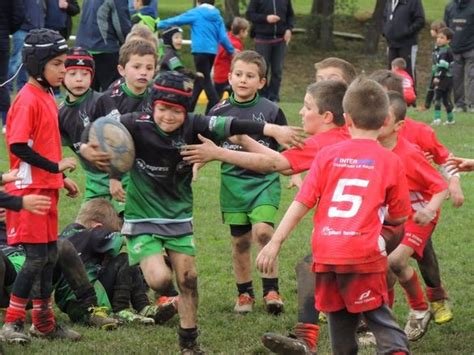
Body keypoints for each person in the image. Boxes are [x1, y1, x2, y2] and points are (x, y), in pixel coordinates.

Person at [80, 70, 303, 354]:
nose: (168, 117)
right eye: (163, 109)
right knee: (160, 280)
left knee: (188, 278)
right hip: (142, 218)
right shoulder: (134, 124)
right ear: (153, 105)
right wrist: (88, 149)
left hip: (178, 216)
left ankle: (189, 342)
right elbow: (94, 133)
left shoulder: (196, 124)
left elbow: (234, 122)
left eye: (176, 111)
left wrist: (273, 129)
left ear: (186, 110)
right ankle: (169, 298)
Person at [182, 62, 353, 353]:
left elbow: (275, 164)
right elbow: (280, 160)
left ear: (325, 117)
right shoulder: (345, 135)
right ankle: (312, 336)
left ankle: (375, 335)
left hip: (349, 231)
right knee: (318, 270)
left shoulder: (323, 143)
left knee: (329, 274)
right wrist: (245, 140)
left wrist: (218, 152)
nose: (300, 112)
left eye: (306, 107)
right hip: (362, 229)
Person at [256, 78, 412, 355]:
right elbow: (399, 217)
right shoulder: (391, 161)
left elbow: (302, 201)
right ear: (386, 118)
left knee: (339, 323)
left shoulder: (327, 155)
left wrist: (275, 242)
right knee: (381, 320)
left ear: (347, 118)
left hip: (325, 254)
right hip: (362, 253)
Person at [0, 29, 81, 344]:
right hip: (29, 193)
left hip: (47, 190)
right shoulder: (27, 99)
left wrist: (61, 179)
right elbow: (19, 146)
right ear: (37, 64)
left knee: (49, 255)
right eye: (58, 64)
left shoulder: (48, 95)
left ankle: (44, 323)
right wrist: (54, 168)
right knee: (36, 258)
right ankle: (12, 323)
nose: (64, 70)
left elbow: (45, 146)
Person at [370, 70, 462, 326]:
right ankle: (376, 314)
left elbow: (446, 161)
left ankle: (434, 299)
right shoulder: (368, 134)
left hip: (419, 210)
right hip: (389, 211)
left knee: (420, 254)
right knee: (381, 261)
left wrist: (454, 183)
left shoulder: (418, 134)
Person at [208, 50, 288, 315]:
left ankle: (271, 290)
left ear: (261, 81)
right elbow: (206, 144)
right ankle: (244, 294)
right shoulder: (218, 111)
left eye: (250, 76)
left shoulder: (272, 111)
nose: (243, 80)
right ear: (229, 77)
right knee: (240, 242)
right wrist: (195, 164)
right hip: (233, 184)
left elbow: (285, 150)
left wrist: (295, 173)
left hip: (264, 181)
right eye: (238, 74)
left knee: (263, 232)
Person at [378, 91, 449, 342]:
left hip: (419, 216)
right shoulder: (370, 149)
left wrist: (429, 210)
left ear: (399, 125)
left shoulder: (409, 153)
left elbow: (441, 186)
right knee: (379, 266)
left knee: (396, 261)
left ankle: (420, 309)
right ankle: (384, 322)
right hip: (391, 219)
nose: (376, 120)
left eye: (383, 118)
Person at [56, 198, 160, 326]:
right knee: (125, 259)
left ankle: (140, 306)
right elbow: (125, 239)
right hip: (93, 301)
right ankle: (129, 308)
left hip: (71, 306)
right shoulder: (92, 234)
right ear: (98, 227)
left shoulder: (63, 237)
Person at [59, 47, 117, 207]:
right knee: (85, 227)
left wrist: (116, 177)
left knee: (121, 225)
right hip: (94, 181)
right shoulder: (60, 113)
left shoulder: (102, 101)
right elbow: (50, 149)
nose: (79, 79)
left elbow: (119, 140)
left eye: (85, 74)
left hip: (120, 177)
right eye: (73, 74)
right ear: (62, 76)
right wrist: (61, 177)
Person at [157, 0, 235, 114]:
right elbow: (223, 37)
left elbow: (178, 20)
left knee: (205, 79)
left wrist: (157, 24)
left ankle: (218, 106)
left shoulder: (197, 12)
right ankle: (190, 107)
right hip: (212, 52)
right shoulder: (217, 16)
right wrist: (231, 50)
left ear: (198, 1)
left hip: (199, 50)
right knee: (200, 80)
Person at [75, 0, 132, 91]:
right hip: (106, 48)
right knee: (112, 92)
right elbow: (122, 25)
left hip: (84, 47)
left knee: (88, 93)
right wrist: (129, 43)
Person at [246, 0, 294, 103]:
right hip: (262, 39)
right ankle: (262, 96)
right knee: (263, 69)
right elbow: (250, 14)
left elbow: (290, 15)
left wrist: (289, 29)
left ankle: (274, 97)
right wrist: (266, 18)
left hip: (280, 40)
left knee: (277, 70)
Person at [382, 0, 425, 89]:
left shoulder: (413, 2)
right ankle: (393, 95)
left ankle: (410, 97)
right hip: (391, 43)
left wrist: (407, 31)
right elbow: (385, 17)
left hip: (407, 44)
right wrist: (385, 31)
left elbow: (420, 20)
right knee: (391, 71)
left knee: (408, 71)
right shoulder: (389, 1)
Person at [444, 0, 474, 113]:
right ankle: (459, 104)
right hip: (455, 48)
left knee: (472, 76)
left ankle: (472, 104)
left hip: (471, 48)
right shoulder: (450, 7)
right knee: (456, 77)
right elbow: (446, 27)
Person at [0, 0, 24, 134]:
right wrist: (7, 29)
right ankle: (6, 123)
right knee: (1, 82)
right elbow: (19, 15)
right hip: (2, 38)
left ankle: (6, 122)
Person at [213, 17, 250, 100]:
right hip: (225, 75)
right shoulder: (236, 44)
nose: (247, 33)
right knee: (230, 98)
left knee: (217, 98)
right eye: (246, 31)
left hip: (219, 72)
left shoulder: (227, 37)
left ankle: (211, 112)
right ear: (241, 31)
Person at [418, 20, 447, 112]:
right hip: (434, 69)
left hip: (440, 71)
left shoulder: (444, 47)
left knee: (439, 88)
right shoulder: (436, 44)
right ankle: (427, 105)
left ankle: (441, 104)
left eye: (432, 29)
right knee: (430, 87)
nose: (431, 31)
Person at [431, 27, 455, 126]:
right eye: (438, 37)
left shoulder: (444, 52)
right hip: (448, 78)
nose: (439, 39)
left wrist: (438, 77)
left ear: (448, 40)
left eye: (442, 38)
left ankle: (437, 119)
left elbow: (443, 67)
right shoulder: (443, 50)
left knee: (438, 97)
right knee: (446, 99)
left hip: (444, 78)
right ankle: (450, 119)